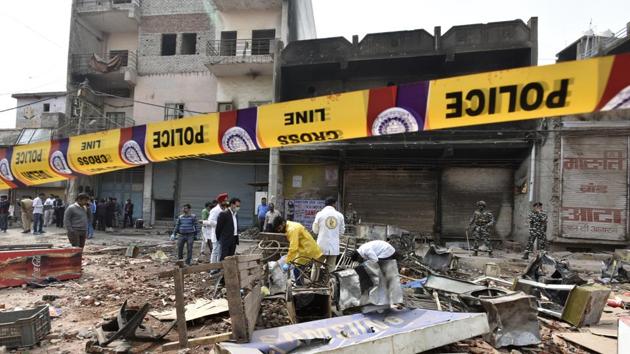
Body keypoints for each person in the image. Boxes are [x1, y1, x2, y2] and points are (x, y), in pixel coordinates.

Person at [273, 216, 323, 284]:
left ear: (283, 223)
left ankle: (300, 288)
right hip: (305, 249)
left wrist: (288, 262)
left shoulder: (292, 229)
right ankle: (301, 284)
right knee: (299, 269)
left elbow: (293, 248)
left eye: (279, 228)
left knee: (297, 270)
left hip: (307, 250)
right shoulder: (290, 226)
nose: (279, 230)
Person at [311, 197, 345, 281]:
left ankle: (312, 284)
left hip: (321, 246)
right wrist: (334, 236)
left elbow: (315, 230)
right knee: (331, 269)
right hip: (334, 247)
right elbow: (342, 232)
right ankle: (330, 287)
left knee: (316, 266)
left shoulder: (320, 214)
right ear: (334, 204)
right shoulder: (340, 215)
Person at [205, 193, 228, 267]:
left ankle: (218, 267)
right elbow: (210, 221)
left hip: (223, 234)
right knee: (215, 251)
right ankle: (212, 268)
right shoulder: (215, 210)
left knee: (221, 252)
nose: (226, 202)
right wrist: (220, 224)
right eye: (225, 201)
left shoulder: (225, 209)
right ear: (221, 201)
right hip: (216, 233)